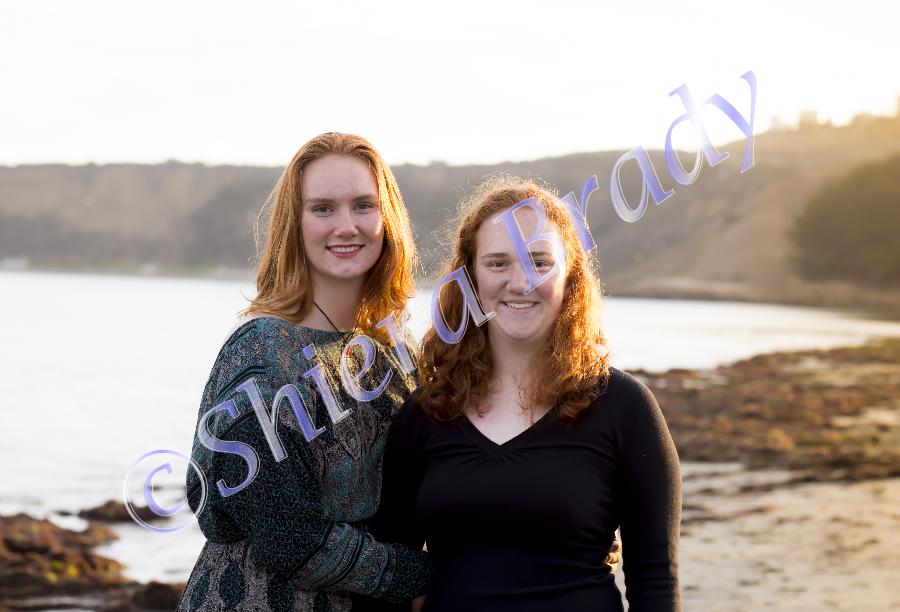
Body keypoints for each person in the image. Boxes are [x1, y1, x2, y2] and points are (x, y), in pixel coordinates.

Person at [367, 177, 682, 611]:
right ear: (470, 278)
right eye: (498, 263)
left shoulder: (624, 407)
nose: (520, 282)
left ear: (570, 274)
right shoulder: (425, 413)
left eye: (539, 261)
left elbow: (656, 582)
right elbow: (391, 576)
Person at [177, 132, 433, 612]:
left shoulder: (395, 353)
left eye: (363, 205)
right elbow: (287, 535)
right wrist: (426, 579)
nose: (346, 226)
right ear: (294, 224)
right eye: (322, 209)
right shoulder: (261, 352)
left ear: (388, 219)